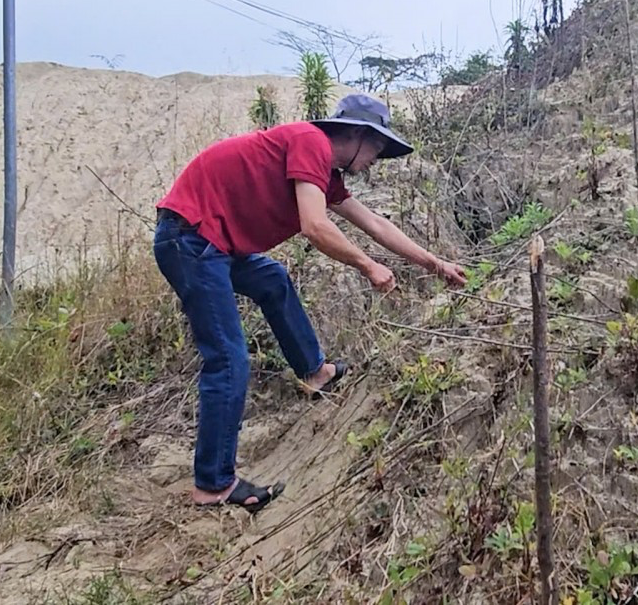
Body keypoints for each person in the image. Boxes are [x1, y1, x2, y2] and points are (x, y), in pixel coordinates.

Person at [153, 93, 467, 513]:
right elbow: (315, 227)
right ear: (357, 135)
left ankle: (315, 371)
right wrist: (367, 266)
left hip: (212, 243)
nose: (377, 159)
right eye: (376, 148)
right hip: (191, 240)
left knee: (272, 279)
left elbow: (374, 222)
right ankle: (214, 486)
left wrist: (434, 264)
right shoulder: (310, 141)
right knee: (228, 360)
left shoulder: (322, 168)